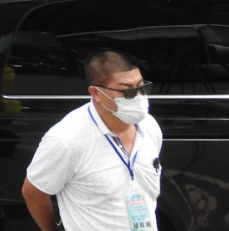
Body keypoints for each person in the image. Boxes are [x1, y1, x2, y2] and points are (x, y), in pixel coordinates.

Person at [22, 50, 162, 231]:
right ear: (96, 93)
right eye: (127, 91)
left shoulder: (149, 126)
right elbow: (33, 193)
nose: (138, 98)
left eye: (142, 88)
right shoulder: (66, 139)